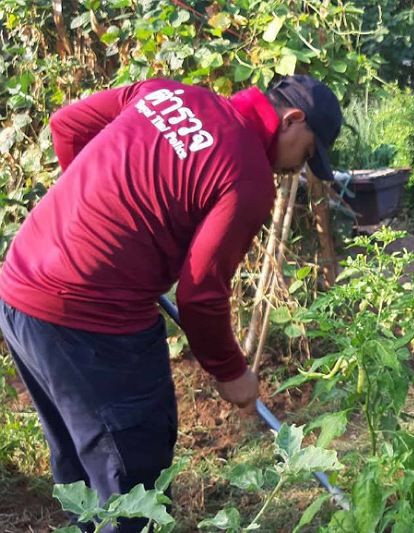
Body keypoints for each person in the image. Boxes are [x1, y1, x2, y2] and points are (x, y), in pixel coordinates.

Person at [0, 75, 341, 532]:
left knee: (81, 473)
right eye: (308, 152)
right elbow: (200, 293)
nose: (300, 168)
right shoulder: (247, 177)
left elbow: (66, 125)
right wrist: (230, 372)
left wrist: (102, 207)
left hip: (20, 290)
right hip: (93, 322)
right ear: (292, 119)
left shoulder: (166, 93)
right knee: (132, 481)